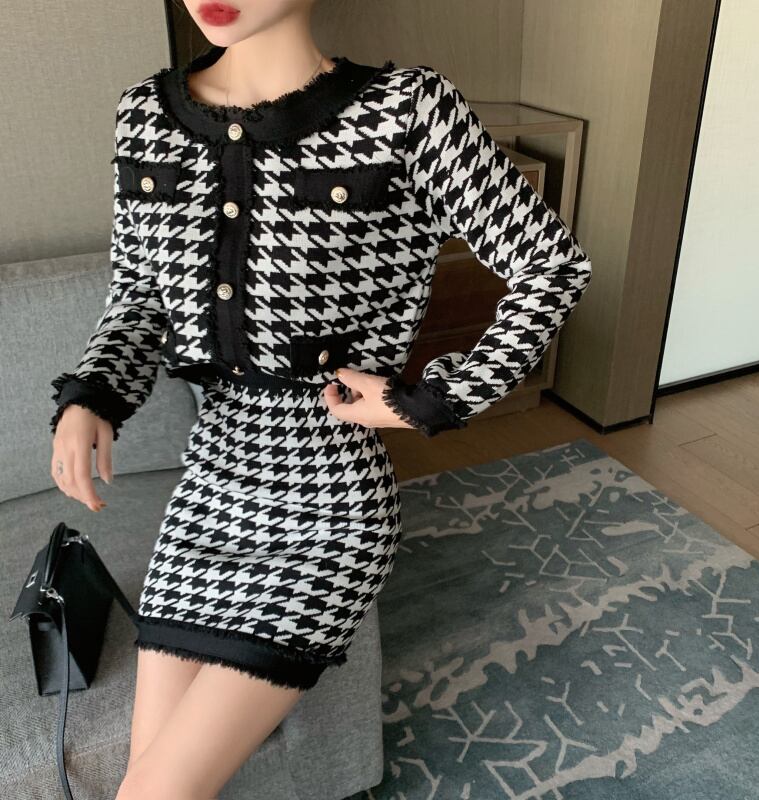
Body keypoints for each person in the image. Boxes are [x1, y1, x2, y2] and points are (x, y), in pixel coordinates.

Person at [48, 1, 593, 797]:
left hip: (329, 503)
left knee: (159, 789)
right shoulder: (145, 115)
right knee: (151, 780)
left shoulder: (408, 110)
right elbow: (137, 299)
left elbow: (552, 265)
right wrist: (91, 395)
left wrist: (433, 398)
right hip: (208, 494)